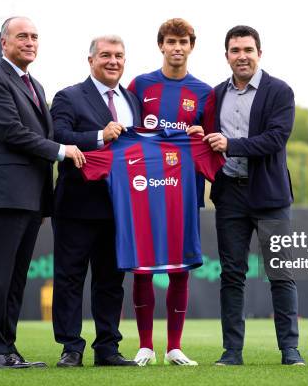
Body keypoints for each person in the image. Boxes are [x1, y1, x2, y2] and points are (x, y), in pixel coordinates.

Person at [0, 16, 85, 369]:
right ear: (3, 42)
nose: (30, 42)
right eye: (22, 36)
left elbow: (43, 133)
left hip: (31, 196)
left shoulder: (34, 83)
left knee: (16, 278)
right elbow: (11, 132)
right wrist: (60, 151)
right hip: (6, 192)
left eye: (35, 36)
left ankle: (8, 349)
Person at [203, 25, 305, 366]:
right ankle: (232, 351)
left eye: (248, 49)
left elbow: (275, 139)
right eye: (235, 50)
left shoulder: (279, 91)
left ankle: (290, 349)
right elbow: (205, 135)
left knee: (280, 271)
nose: (242, 56)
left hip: (270, 196)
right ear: (227, 55)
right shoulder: (215, 94)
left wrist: (231, 145)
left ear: (259, 53)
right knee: (231, 275)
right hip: (229, 195)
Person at [127, 18, 215, 366]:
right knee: (143, 268)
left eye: (183, 41)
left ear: (191, 46)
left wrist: (200, 135)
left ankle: (174, 346)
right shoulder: (139, 85)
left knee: (180, 269)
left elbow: (212, 145)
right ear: (160, 45)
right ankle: (145, 346)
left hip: (185, 193)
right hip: (144, 193)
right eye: (171, 41)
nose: (177, 47)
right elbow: (128, 137)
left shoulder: (205, 92)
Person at [50, 35, 141, 367]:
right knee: (70, 277)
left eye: (119, 55)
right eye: (105, 55)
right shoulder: (68, 97)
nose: (113, 61)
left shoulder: (133, 100)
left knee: (110, 280)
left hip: (121, 209)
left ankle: (108, 347)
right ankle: (71, 347)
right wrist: (100, 136)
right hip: (77, 205)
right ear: (91, 60)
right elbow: (57, 137)